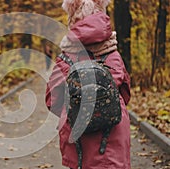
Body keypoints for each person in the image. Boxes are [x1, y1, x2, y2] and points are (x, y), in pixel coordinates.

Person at [45, 0, 131, 168]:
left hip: (78, 140)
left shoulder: (66, 58)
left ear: (72, 16)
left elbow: (51, 101)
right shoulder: (112, 54)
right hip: (112, 136)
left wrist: (75, 109)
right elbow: (126, 94)